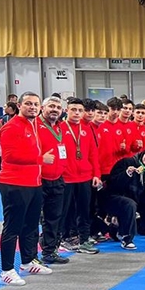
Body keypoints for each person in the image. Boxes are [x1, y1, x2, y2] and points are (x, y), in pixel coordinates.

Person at [0, 92, 53, 286]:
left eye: (36, 104)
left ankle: (28, 262)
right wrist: (40, 160)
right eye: (28, 103)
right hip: (14, 183)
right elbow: (10, 156)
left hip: (34, 183)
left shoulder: (36, 125)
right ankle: (6, 270)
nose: (33, 107)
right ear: (19, 105)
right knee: (12, 227)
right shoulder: (11, 127)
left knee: (30, 226)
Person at [59, 98, 101, 254]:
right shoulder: (60, 128)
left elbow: (93, 153)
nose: (77, 113)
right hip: (66, 176)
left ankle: (84, 239)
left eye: (79, 110)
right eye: (73, 110)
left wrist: (96, 174)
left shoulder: (87, 128)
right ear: (67, 110)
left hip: (85, 176)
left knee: (84, 210)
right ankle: (66, 238)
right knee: (67, 210)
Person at [36, 96, 72, 265]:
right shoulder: (35, 125)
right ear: (43, 108)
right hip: (37, 179)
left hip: (57, 178)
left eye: (58, 107)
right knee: (33, 219)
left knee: (54, 217)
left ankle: (49, 252)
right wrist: (40, 159)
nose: (55, 109)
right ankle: (30, 256)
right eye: (51, 106)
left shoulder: (61, 127)